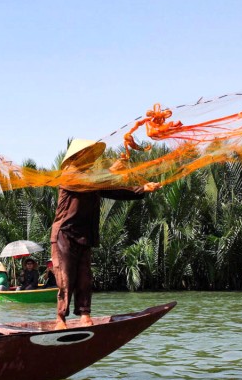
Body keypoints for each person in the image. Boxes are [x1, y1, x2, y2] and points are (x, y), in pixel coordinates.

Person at [51, 139, 161, 330]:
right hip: (65, 234)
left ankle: (85, 314)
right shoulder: (69, 175)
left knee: (85, 277)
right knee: (65, 277)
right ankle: (60, 318)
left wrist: (143, 189)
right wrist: (112, 171)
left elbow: (115, 191)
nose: (92, 159)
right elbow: (94, 182)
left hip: (85, 235)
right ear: (77, 156)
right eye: (87, 155)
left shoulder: (94, 180)